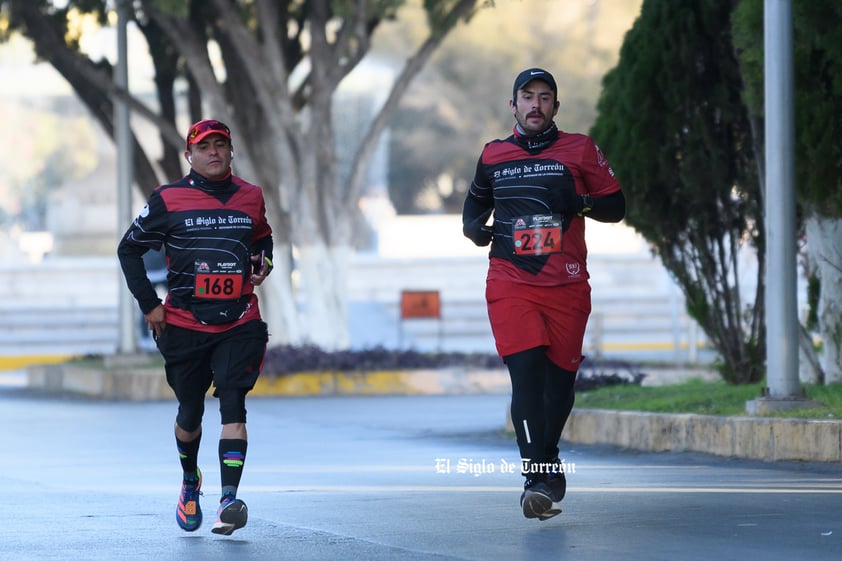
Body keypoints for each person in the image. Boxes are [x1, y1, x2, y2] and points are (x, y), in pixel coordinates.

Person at [461, 68, 625, 521]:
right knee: (527, 374)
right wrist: (474, 229)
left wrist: (580, 203)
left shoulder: (580, 149)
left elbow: (617, 205)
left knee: (559, 386)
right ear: (513, 105)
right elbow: (475, 203)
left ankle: (548, 456)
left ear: (556, 105)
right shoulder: (494, 155)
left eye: (545, 97)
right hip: (511, 280)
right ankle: (535, 478)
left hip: (568, 285)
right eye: (527, 97)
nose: (536, 105)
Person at [118, 119, 274, 536]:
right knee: (189, 414)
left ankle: (228, 500)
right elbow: (128, 249)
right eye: (205, 147)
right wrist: (150, 305)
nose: (214, 152)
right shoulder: (168, 199)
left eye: (221, 144)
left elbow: (263, 239)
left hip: (240, 319)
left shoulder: (251, 196)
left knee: (234, 406)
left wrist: (265, 263)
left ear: (230, 150)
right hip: (184, 323)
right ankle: (191, 481)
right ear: (190, 155)